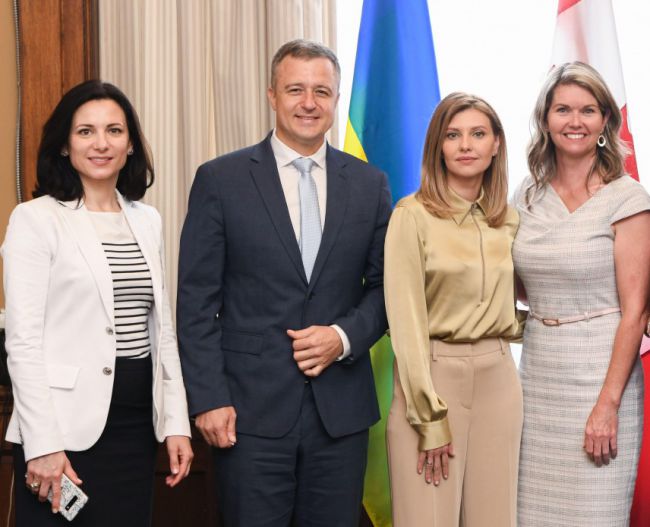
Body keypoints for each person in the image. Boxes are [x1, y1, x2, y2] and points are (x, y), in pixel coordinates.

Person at [177, 39, 392, 526]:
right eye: (296, 89)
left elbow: (386, 289)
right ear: (272, 95)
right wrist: (209, 398)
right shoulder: (220, 180)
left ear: (336, 99)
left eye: (322, 91)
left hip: (340, 415)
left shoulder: (369, 184)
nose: (309, 102)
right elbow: (195, 302)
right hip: (246, 414)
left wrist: (342, 337)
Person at [2, 80, 193, 526]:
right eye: (85, 131)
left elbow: (162, 330)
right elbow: (23, 342)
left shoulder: (147, 220)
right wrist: (43, 444)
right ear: (64, 145)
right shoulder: (35, 219)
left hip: (135, 424)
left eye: (114, 130)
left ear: (131, 144)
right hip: (62, 428)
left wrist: (176, 423)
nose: (101, 143)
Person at [513, 62, 650, 526]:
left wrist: (607, 404)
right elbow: (517, 285)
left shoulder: (627, 197)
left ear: (605, 120)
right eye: (563, 110)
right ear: (545, 119)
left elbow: (635, 312)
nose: (575, 121)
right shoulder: (526, 196)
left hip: (601, 379)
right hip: (537, 379)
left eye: (588, 110)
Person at [384, 92, 523, 526]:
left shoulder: (509, 220)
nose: (465, 145)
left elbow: (516, 300)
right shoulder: (411, 216)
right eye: (453, 135)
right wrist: (428, 417)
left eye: (478, 134)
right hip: (433, 375)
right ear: (437, 147)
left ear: (496, 144)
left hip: (499, 379)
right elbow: (405, 321)